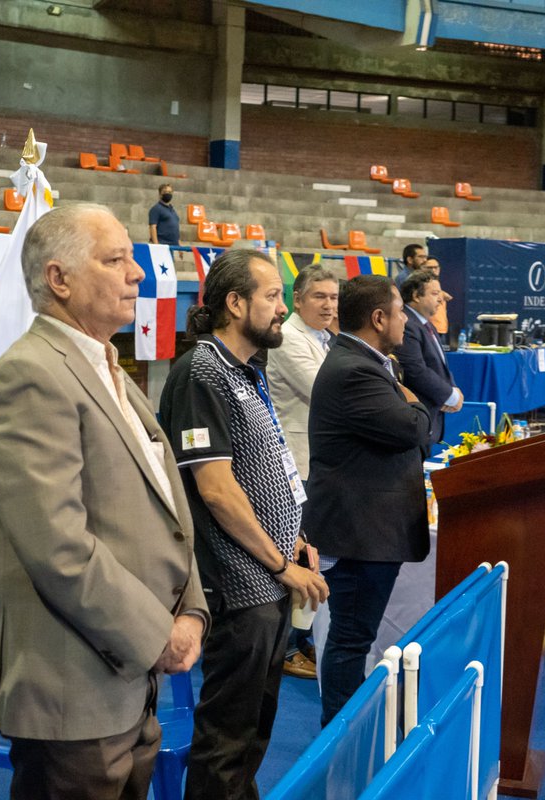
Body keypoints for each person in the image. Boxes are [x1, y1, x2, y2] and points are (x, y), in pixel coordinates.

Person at [0, 203, 208, 800]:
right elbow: (59, 547)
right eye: (116, 259)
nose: (138, 274)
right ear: (59, 279)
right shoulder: (29, 375)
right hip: (72, 690)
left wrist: (192, 610)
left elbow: (167, 513)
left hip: (129, 679)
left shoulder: (111, 371)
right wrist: (161, 634)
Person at [159, 250, 327, 800]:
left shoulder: (246, 371)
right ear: (235, 304)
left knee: (254, 730)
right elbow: (216, 489)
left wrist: (293, 539)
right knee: (227, 738)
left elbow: (264, 469)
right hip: (238, 584)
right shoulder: (201, 371)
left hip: (269, 579)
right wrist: (281, 564)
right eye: (273, 297)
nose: (283, 309)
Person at [305, 275, 431, 726]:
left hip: (367, 530)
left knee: (353, 638)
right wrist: (414, 404)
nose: (405, 322)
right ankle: (339, 742)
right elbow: (415, 428)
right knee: (350, 641)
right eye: (400, 313)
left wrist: (408, 404)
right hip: (360, 535)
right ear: (379, 318)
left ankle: (345, 734)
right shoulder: (355, 369)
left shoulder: (369, 363)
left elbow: (415, 436)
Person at [264, 265, 338, 680]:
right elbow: (328, 394)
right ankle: (290, 648)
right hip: (299, 463)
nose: (329, 306)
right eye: (320, 297)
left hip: (318, 462)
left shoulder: (321, 339)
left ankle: (306, 640)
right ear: (298, 300)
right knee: (301, 556)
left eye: (334, 298)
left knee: (313, 556)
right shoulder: (289, 340)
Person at [396, 270, 463, 446]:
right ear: (416, 296)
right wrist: (449, 395)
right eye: (434, 294)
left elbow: (439, 364)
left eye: (440, 294)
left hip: (432, 411)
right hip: (417, 413)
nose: (440, 299)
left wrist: (453, 389)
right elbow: (415, 370)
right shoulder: (408, 325)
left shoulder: (426, 324)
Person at [422, 256, 452, 338]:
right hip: (430, 328)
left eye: (436, 267)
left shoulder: (437, 284)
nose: (433, 270)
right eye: (430, 268)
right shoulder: (422, 284)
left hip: (441, 328)